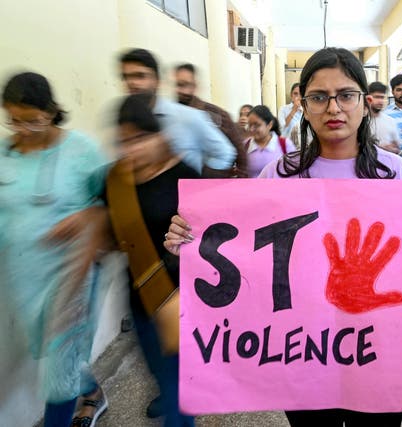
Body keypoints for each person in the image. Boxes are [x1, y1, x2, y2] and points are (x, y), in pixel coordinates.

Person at [164, 47, 402, 427]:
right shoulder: (280, 173)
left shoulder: (394, 171)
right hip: (302, 353)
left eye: (346, 95)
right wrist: (190, 238)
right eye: (319, 97)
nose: (333, 108)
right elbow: (243, 247)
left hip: (379, 353)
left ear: (364, 101)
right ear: (303, 105)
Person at [0, 72, 110, 427]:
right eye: (14, 119)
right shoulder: (4, 156)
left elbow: (109, 204)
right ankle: (93, 393)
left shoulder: (81, 150)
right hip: (25, 275)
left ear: (50, 112)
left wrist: (87, 216)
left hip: (72, 273)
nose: (23, 129)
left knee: (60, 368)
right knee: (58, 357)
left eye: (33, 120)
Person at [107, 93, 198, 426]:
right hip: (139, 300)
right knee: (161, 378)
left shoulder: (184, 175)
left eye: (140, 139)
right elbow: (110, 233)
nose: (132, 149)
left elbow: (206, 239)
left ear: (158, 136)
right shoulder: (116, 180)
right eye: (124, 141)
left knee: (178, 394)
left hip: (179, 302)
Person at [119, 48, 236, 177]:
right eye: (126, 77)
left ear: (157, 81)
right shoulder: (124, 121)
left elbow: (225, 153)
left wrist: (201, 183)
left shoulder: (188, 117)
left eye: (140, 76)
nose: (132, 83)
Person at [174, 63, 248, 177]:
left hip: (212, 186)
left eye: (186, 85)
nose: (181, 90)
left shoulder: (217, 115)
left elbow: (240, 155)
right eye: (178, 85)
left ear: (195, 86)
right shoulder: (169, 116)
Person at [246, 105, 296, 178]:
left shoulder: (285, 144)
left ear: (269, 125)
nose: (252, 129)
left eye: (257, 125)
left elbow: (295, 171)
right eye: (250, 125)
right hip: (252, 189)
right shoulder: (245, 146)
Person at [366, 81, 400, 153]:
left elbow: (397, 149)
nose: (380, 101)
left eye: (382, 97)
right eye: (376, 97)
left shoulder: (390, 121)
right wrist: (379, 148)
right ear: (368, 98)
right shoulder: (360, 121)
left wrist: (390, 149)